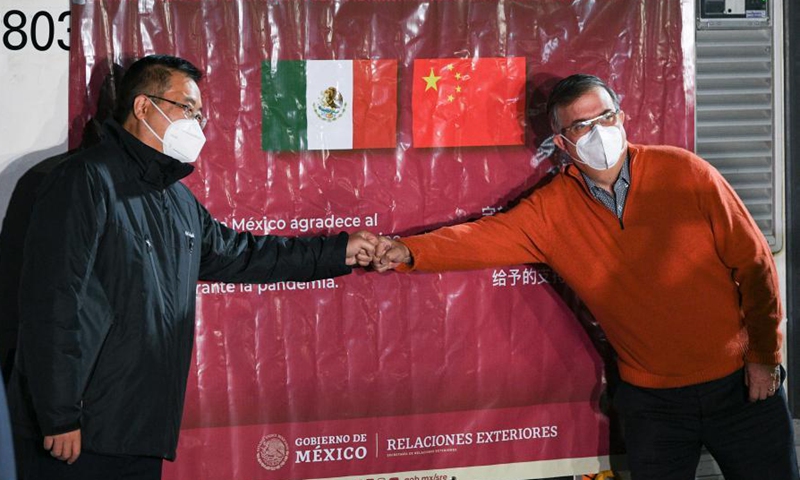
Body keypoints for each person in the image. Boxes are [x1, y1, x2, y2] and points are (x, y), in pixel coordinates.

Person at [373, 74, 798, 480]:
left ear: (621, 117)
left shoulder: (686, 173)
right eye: (581, 126)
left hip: (743, 383)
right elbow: (480, 239)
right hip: (653, 404)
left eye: (605, 117)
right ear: (561, 142)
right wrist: (409, 251)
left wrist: (764, 356)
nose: (599, 131)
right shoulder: (551, 211)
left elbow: (755, 264)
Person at [6, 54, 376, 480]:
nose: (196, 124)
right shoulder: (85, 180)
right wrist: (59, 414)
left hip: (139, 432)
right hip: (77, 435)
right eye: (187, 109)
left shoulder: (179, 202)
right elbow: (52, 301)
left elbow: (244, 255)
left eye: (200, 114)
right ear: (144, 107)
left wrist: (340, 251)